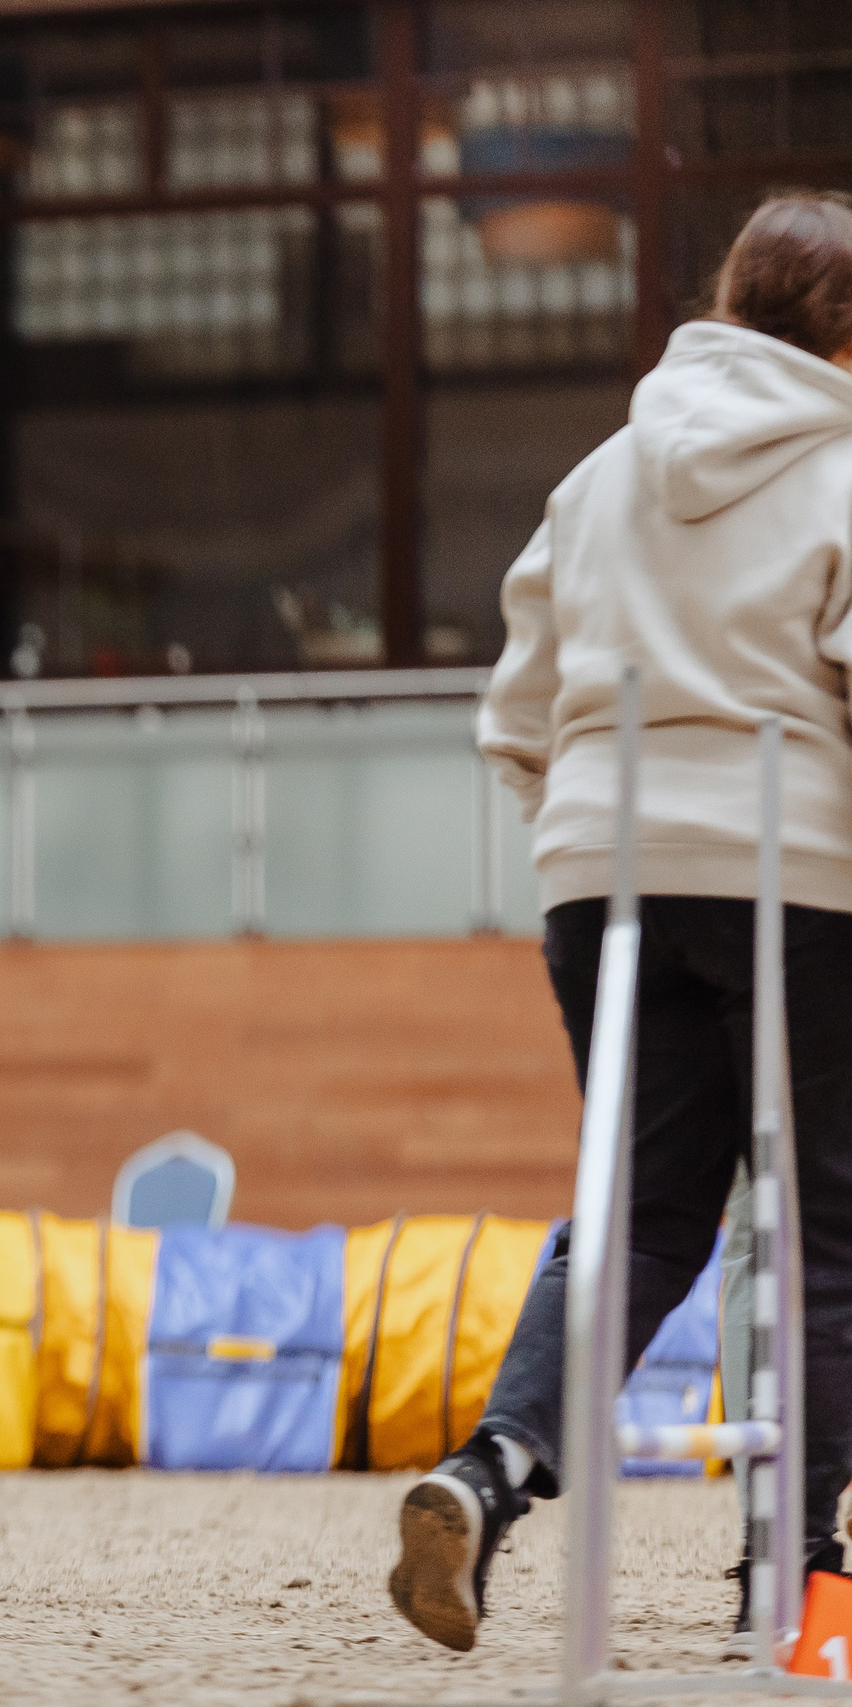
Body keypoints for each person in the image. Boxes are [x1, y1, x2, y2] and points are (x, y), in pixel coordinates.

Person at [388, 192, 852, 1654]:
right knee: (825, 1215)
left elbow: (515, 714)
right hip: (798, 871)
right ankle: (805, 1569)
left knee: (645, 1212)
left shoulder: (597, 477)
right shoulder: (848, 470)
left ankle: (493, 1469)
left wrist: (584, 836)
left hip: (603, 874)